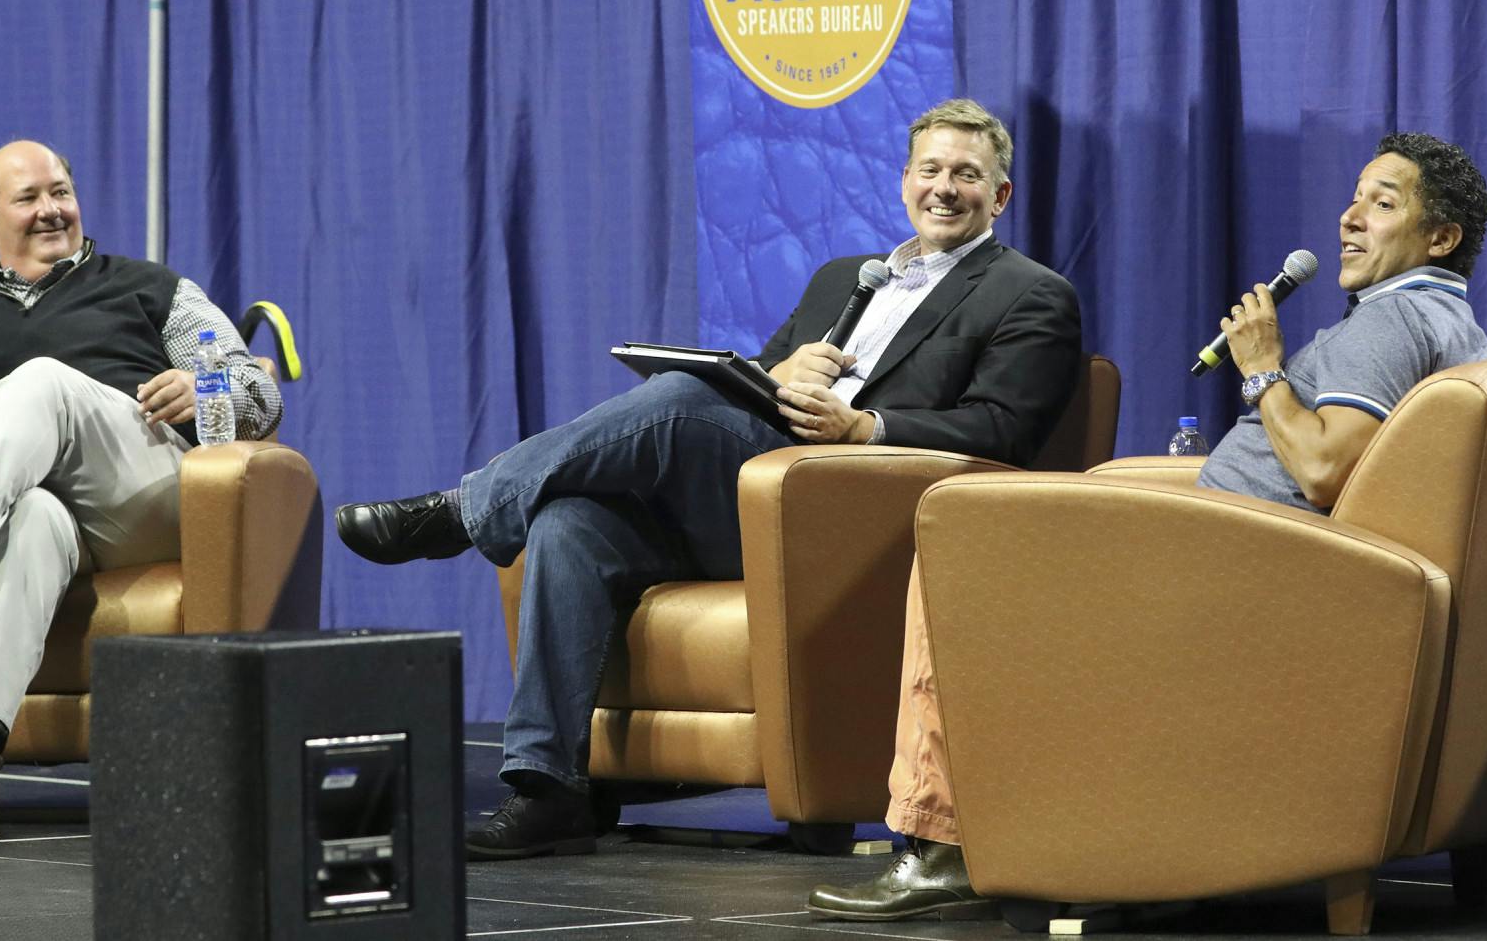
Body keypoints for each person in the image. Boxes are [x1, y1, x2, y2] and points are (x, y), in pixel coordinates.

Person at [336, 99, 1085, 860]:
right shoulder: (842, 279)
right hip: (754, 501)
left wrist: (866, 427)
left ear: (1000, 196)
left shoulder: (1029, 293)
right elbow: (757, 393)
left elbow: (1002, 432)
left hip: (857, 516)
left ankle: (464, 510)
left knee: (676, 402)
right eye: (931, 169)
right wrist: (777, 372)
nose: (945, 188)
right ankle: (548, 788)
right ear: (904, 182)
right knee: (570, 522)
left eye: (968, 175)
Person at [808, 131, 1487, 921]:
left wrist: (1264, 366)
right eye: (1354, 196)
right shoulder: (1450, 323)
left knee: (954, 547)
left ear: (1440, 239)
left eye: (1382, 203)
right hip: (1243, 551)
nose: (1349, 218)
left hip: (1226, 571)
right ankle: (1022, 829)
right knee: (1028, 525)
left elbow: (1323, 468)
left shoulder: (1388, 325)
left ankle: (940, 842)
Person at [0, 140, 281, 842]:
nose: (51, 210)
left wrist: (207, 387)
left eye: (60, 192)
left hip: (137, 500)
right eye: (29, 198)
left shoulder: (152, 287)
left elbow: (261, 393)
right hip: (20, 525)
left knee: (41, 382)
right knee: (30, 519)